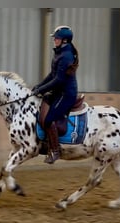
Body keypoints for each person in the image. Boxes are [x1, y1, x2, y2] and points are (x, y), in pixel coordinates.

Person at [32, 25, 79, 164]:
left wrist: (41, 90)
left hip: (66, 94)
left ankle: (55, 150)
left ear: (64, 40)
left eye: (56, 38)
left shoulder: (66, 56)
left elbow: (59, 80)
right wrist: (39, 86)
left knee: (48, 120)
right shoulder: (59, 52)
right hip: (59, 91)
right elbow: (52, 75)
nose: (54, 40)